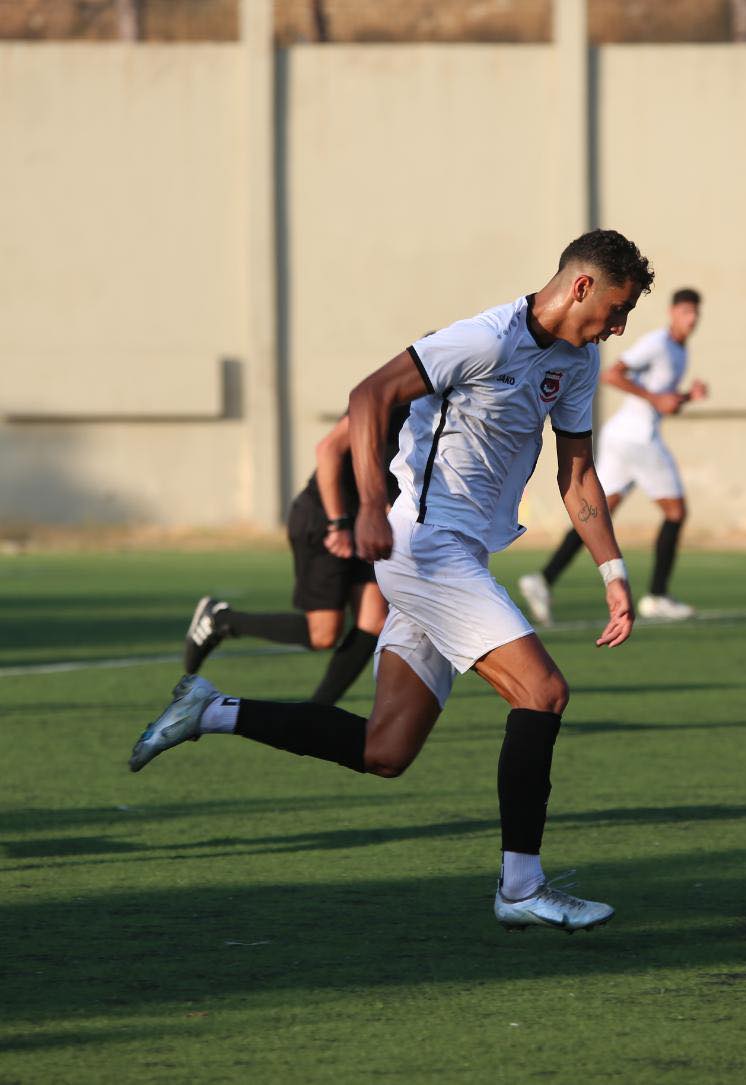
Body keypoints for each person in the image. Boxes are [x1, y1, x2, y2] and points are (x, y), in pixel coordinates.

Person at [129, 229, 655, 933]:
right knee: (544, 691)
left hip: (460, 555)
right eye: (617, 309)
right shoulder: (488, 338)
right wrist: (370, 506)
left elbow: (579, 475)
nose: (618, 327)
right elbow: (370, 393)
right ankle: (521, 887)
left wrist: (613, 571)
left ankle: (210, 708)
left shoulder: (579, 361)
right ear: (583, 286)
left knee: (386, 749)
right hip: (424, 547)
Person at [183, 405, 410, 705]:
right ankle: (222, 619)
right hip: (325, 519)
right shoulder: (394, 393)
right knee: (323, 634)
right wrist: (337, 523)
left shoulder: (448, 405)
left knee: (373, 622)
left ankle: (316, 712)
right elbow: (327, 449)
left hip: (366, 525)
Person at [519, 287, 706, 625]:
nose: (691, 319)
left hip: (624, 439)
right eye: (686, 312)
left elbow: (662, 400)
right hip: (638, 439)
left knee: (597, 514)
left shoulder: (679, 351)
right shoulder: (658, 343)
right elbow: (613, 373)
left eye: (695, 314)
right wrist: (655, 398)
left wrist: (684, 397)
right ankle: (658, 596)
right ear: (673, 312)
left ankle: (543, 579)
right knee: (676, 513)